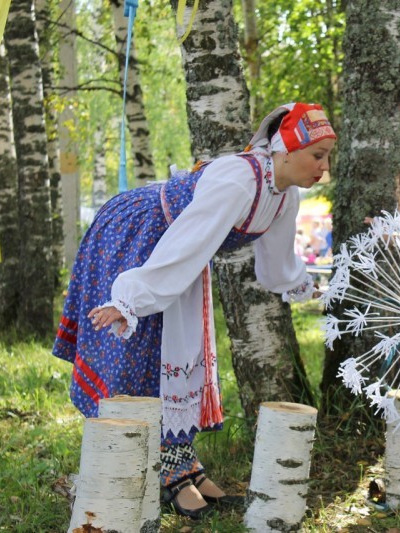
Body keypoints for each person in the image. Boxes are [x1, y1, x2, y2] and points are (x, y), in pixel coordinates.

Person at [53, 102, 336, 518]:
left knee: (183, 357)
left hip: (180, 255)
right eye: (317, 155)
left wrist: (302, 286)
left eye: (327, 157)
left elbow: (275, 264)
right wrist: (130, 297)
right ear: (286, 150)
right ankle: (147, 467)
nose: (323, 168)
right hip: (140, 238)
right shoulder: (240, 179)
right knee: (143, 354)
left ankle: (181, 462)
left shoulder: (282, 195)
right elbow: (185, 241)